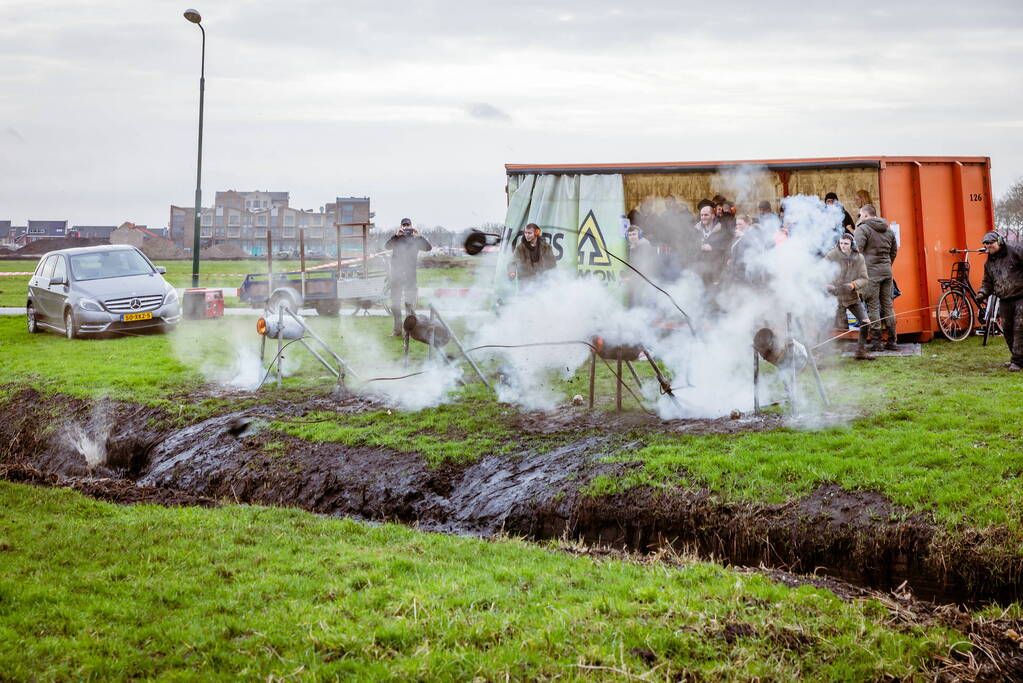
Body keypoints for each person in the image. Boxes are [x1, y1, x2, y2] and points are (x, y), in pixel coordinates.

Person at [853, 204, 899, 350]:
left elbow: (856, 252)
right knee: (888, 305)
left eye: (860, 215)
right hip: (886, 272)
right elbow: (894, 251)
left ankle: (876, 343)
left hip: (870, 273)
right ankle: (892, 341)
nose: (859, 217)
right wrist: (887, 265)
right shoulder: (888, 230)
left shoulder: (862, 229)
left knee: (873, 306)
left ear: (866, 215)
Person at [976, 231, 1023, 371]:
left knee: (1020, 328)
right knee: (1007, 330)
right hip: (1004, 299)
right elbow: (988, 282)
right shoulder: (988, 263)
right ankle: (1017, 357)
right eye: (986, 245)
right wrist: (981, 293)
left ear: (1000, 241)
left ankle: (1017, 361)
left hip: (1021, 296)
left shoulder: (1016, 252)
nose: (988, 247)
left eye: (991, 244)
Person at [826, 233, 873, 359]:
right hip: (835, 297)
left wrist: (852, 285)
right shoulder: (832, 255)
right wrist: (828, 284)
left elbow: (864, 279)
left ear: (852, 245)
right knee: (828, 325)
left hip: (852, 296)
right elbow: (822, 271)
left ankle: (860, 351)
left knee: (865, 322)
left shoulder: (859, 258)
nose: (843, 246)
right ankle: (823, 356)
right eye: (841, 243)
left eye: (846, 243)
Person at [385, 218, 432, 336]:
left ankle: (409, 331)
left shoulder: (415, 240)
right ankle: (397, 330)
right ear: (401, 226)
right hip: (396, 276)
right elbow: (387, 246)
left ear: (411, 226)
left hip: (410, 276)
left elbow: (428, 248)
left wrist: (419, 236)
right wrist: (396, 235)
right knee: (395, 304)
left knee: (409, 305)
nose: (406, 227)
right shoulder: (397, 239)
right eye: (404, 225)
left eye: (408, 225)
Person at [624, 224, 655, 305]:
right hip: (637, 279)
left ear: (640, 235)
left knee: (640, 304)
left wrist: (632, 278)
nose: (632, 237)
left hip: (645, 280)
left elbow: (644, 267)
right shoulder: (633, 247)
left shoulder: (644, 246)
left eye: (634, 234)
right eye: (630, 235)